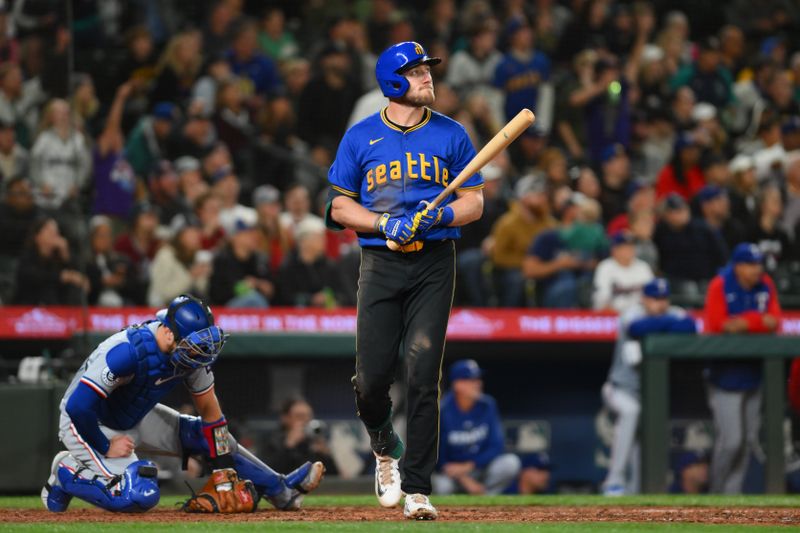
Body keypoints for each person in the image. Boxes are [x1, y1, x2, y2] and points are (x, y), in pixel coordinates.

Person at [326, 41, 484, 520]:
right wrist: (383, 222)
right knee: (371, 382)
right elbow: (338, 206)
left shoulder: (453, 134)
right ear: (394, 82)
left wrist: (438, 218)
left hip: (435, 260)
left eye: (427, 70)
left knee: (422, 373)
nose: (427, 78)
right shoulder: (360, 137)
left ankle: (417, 488)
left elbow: (475, 202)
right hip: (380, 263)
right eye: (416, 72)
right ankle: (382, 444)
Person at [40, 295, 325, 514]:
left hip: (131, 416)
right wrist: (105, 446)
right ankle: (66, 473)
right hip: (88, 422)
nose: (199, 353)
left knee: (208, 436)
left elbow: (212, 415)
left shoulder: (191, 354)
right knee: (139, 496)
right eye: (193, 345)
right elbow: (79, 407)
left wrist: (223, 471)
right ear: (167, 332)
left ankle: (281, 490)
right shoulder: (128, 351)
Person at [601, 278, 696, 495]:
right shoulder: (631, 312)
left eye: (663, 299)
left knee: (641, 450)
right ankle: (613, 481)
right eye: (654, 299)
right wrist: (667, 323)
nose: (660, 304)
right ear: (644, 298)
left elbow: (690, 325)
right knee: (631, 411)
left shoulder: (673, 311)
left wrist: (662, 321)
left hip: (649, 395)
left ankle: (632, 499)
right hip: (619, 389)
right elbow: (637, 328)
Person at [704, 243, 781, 494]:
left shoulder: (765, 284)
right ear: (737, 265)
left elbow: (776, 322)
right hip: (724, 373)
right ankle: (715, 494)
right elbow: (717, 325)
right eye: (750, 265)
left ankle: (732, 497)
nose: (756, 270)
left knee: (747, 442)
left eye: (758, 264)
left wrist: (744, 323)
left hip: (754, 372)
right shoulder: (720, 284)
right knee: (732, 441)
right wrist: (758, 321)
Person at [433, 360, 521, 496]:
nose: (478, 384)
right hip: (452, 473)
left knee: (511, 463)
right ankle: (453, 513)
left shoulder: (488, 405)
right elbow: (438, 456)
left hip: (480, 468)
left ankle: (486, 501)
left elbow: (496, 446)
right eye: (471, 380)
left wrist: (469, 466)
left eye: (478, 379)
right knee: (443, 486)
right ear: (457, 384)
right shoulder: (442, 409)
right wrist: (465, 479)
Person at [260, 397, 339, 477]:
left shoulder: (314, 443)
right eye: (300, 416)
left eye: (309, 416)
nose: (306, 420)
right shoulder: (273, 442)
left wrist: (325, 455)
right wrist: (289, 445)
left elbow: (334, 479)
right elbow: (268, 474)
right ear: (285, 418)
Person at [592, 232, 654, 314]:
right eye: (624, 247)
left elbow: (653, 295)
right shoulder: (605, 267)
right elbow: (601, 300)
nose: (629, 250)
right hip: (614, 315)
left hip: (640, 315)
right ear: (614, 250)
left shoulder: (643, 267)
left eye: (631, 247)